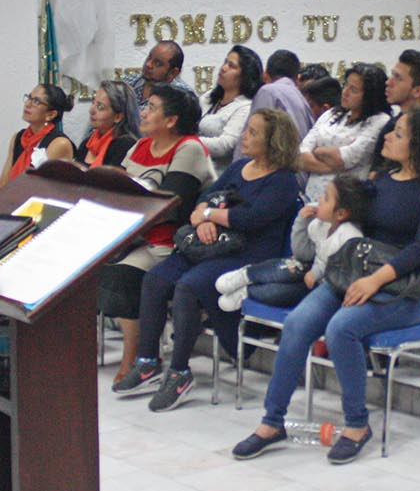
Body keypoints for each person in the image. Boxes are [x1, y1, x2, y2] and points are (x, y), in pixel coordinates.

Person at [234, 108, 420, 465]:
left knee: (341, 328)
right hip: (357, 274)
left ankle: (357, 424)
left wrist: (376, 279)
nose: (388, 136)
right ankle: (271, 421)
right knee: (297, 323)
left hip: (406, 289)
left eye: (398, 134)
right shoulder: (383, 180)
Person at [133, 109, 301, 413]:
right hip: (213, 243)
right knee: (156, 278)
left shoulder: (284, 181)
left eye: (253, 132)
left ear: (273, 141)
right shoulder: (238, 168)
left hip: (249, 253)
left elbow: (250, 219)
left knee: (189, 286)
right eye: (246, 129)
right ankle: (147, 361)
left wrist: (210, 214)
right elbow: (206, 197)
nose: (244, 136)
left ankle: (179, 372)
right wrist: (203, 218)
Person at [104, 86, 215, 392]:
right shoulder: (140, 146)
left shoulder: (189, 148)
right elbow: (117, 191)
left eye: (151, 107)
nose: (143, 112)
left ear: (171, 120)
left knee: (122, 275)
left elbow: (169, 205)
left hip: (168, 241)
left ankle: (137, 358)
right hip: (133, 234)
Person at [217, 176, 369, 312]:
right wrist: (301, 221)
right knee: (287, 267)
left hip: (324, 287)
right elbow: (302, 254)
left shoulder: (350, 236)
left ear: (341, 214)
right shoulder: (320, 224)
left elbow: (338, 267)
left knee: (280, 293)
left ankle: (246, 292)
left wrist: (316, 273)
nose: (320, 199)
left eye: (326, 198)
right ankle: (247, 274)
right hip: (310, 270)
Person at [294, 62, 389, 217]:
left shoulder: (379, 121)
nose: (345, 92)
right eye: (345, 85)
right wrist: (333, 163)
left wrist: (318, 151)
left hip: (344, 207)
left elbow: (345, 158)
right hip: (310, 200)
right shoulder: (331, 114)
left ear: (370, 95)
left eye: (354, 90)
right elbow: (300, 155)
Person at [0, 83, 76, 194]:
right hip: (14, 199)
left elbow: (42, 189)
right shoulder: (18, 138)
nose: (28, 104)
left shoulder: (59, 143)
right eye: (29, 98)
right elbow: (3, 183)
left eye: (36, 101)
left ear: (51, 114)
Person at [198, 44, 260, 171]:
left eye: (231, 66)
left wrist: (186, 141)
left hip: (217, 174)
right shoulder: (208, 97)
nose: (223, 68)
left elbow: (225, 146)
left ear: (244, 76)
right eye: (225, 62)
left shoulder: (245, 107)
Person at [244, 48, 314, 146]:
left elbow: (251, 138)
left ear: (265, 75)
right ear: (297, 79)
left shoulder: (268, 91)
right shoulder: (302, 99)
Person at [79, 80, 138, 168]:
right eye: (93, 103)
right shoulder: (87, 143)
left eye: (100, 107)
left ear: (118, 117)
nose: (91, 110)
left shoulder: (125, 145)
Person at [126, 39, 194, 103]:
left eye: (158, 63)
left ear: (173, 73)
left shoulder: (182, 98)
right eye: (149, 57)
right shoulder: (128, 82)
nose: (148, 64)